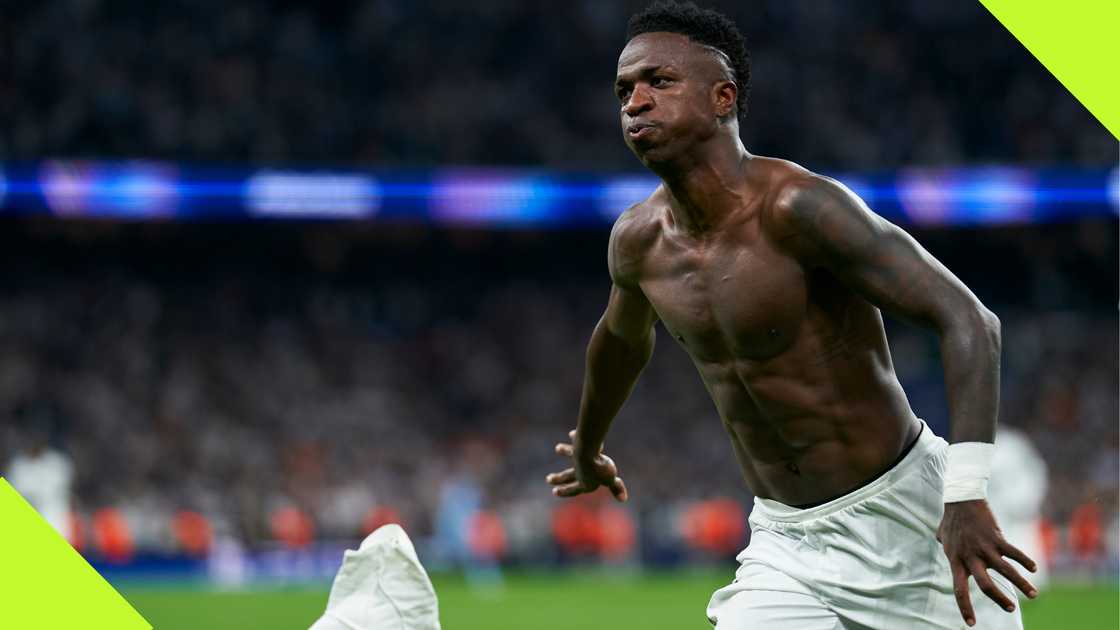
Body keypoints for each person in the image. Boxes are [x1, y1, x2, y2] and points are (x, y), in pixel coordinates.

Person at [544, 2, 1038, 628]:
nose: (634, 101)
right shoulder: (638, 242)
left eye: (658, 82)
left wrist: (965, 494)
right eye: (624, 90)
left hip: (910, 521)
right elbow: (619, 342)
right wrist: (588, 446)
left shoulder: (801, 208)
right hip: (788, 542)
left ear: (723, 98)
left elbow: (970, 321)